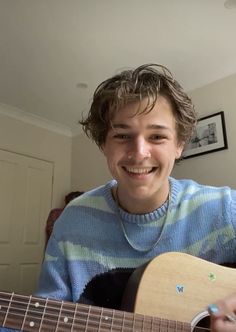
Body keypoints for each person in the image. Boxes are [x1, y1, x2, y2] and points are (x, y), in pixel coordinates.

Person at [32, 64, 236, 331]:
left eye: (157, 136)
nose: (139, 153)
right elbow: (44, 317)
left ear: (179, 145)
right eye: (123, 135)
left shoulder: (226, 209)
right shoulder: (72, 222)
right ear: (103, 143)